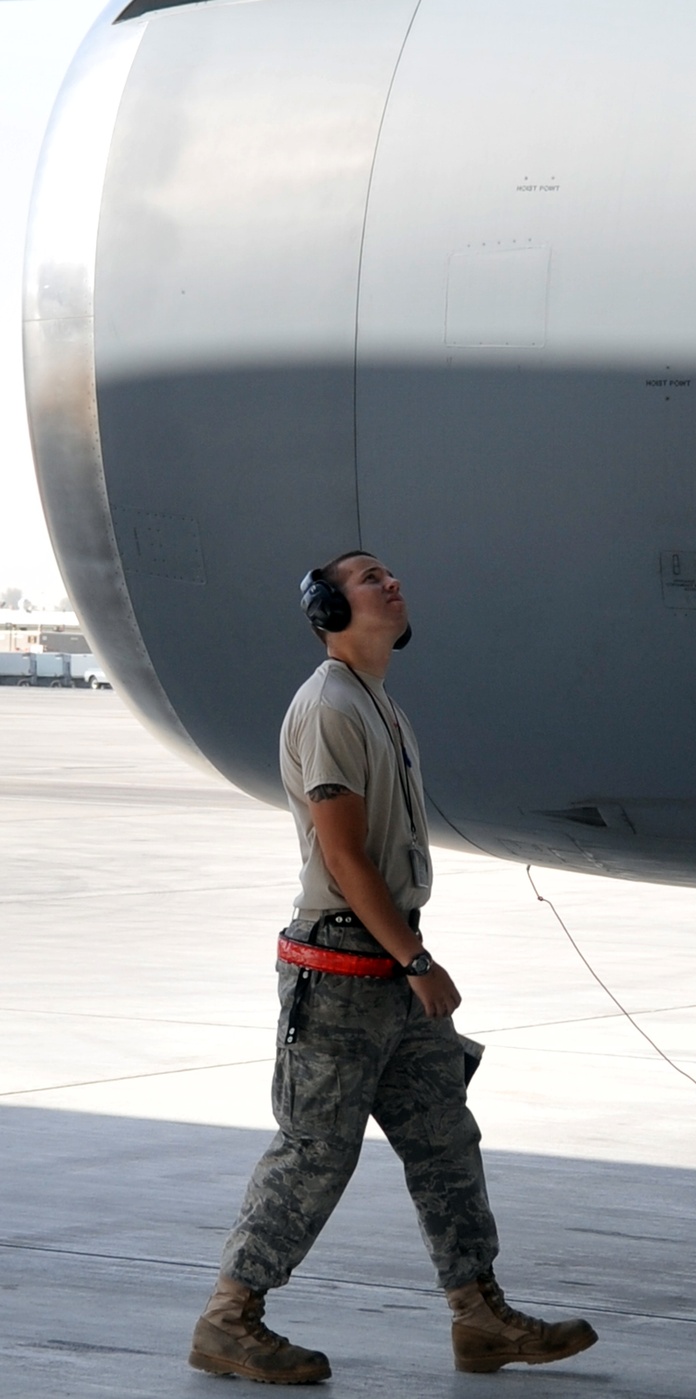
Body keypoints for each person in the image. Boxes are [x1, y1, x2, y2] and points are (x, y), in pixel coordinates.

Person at [188, 550, 598, 1384]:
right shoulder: (330, 707)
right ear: (331, 612)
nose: (393, 583)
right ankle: (229, 1319)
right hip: (342, 967)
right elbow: (343, 858)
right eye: (371, 578)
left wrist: (406, 957)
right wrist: (414, 957)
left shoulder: (380, 706)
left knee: (445, 1137)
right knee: (315, 1151)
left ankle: (478, 1316)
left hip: (385, 963)